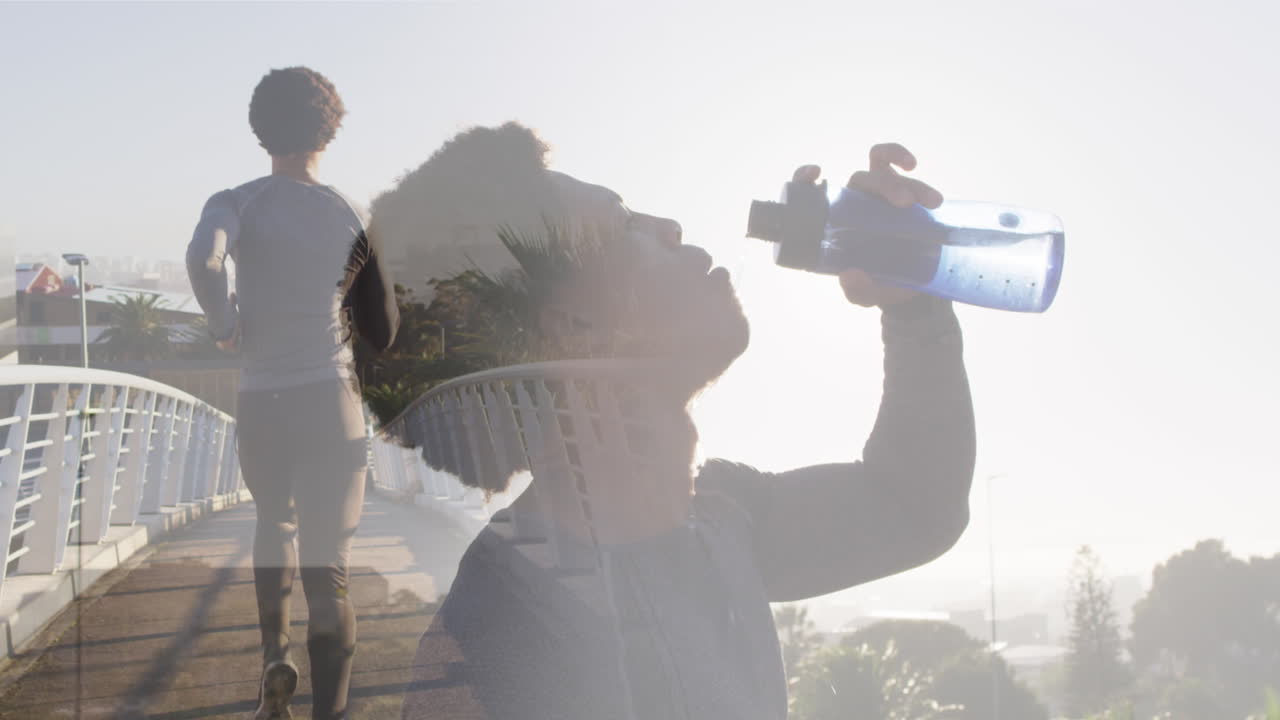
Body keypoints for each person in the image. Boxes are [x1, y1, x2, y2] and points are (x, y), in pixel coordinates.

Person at [377, 123, 974, 720]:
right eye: (623, 226)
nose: (670, 226)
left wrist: (914, 307)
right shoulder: (492, 652)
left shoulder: (717, 517)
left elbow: (913, 508)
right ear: (573, 325)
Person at [186, 67, 399, 720]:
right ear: (328, 130)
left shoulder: (235, 201)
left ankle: (275, 661)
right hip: (330, 402)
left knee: (273, 523)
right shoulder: (351, 213)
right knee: (328, 571)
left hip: (263, 404)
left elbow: (204, 259)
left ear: (261, 129)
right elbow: (384, 331)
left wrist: (225, 324)